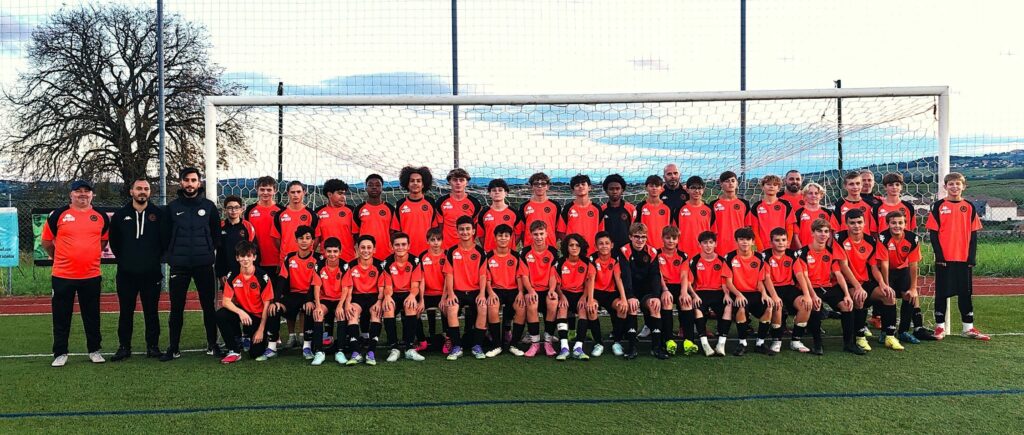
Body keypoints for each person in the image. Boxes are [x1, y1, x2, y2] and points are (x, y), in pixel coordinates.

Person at [43, 180, 110, 367]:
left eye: (86, 191)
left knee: (92, 315)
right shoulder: (58, 215)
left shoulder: (101, 216)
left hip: (91, 275)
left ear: (92, 195)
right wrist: (60, 258)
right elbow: (47, 242)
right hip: (63, 276)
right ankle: (60, 353)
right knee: (61, 316)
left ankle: (94, 350)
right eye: (78, 191)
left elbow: (103, 241)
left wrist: (88, 255)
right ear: (71, 194)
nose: (82, 194)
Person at [161, 167, 222, 361]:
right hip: (179, 265)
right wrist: (172, 256)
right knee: (176, 307)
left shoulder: (209, 207)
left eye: (193, 180)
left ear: (199, 183)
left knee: (208, 306)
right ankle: (173, 347)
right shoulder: (172, 207)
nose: (190, 184)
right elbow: (165, 236)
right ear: (181, 182)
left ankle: (212, 344)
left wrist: (207, 252)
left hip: (203, 264)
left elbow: (216, 235)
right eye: (186, 180)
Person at [926, 172, 988, 341]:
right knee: (941, 293)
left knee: (965, 293)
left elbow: (973, 235)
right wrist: (939, 256)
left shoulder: (969, 206)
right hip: (944, 259)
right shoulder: (938, 206)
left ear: (963, 186)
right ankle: (940, 327)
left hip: (963, 258)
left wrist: (971, 257)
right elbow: (933, 234)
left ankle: (968, 328)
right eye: (951, 184)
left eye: (957, 184)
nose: (954, 187)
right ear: (945, 187)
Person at [109, 177, 165, 361]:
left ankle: (153, 346)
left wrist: (152, 260)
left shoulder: (158, 214)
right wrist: (127, 260)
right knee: (126, 312)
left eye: (146, 189)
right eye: (139, 188)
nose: (142, 192)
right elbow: (114, 242)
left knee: (151, 312)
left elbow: (164, 241)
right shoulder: (120, 215)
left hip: (151, 273)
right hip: (126, 274)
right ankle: (124, 347)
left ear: (150, 192)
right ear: (131, 191)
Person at [836, 209, 898, 351]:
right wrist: (857, 286)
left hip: (866, 282)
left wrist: (883, 284)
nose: (856, 226)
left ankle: (889, 335)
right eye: (852, 223)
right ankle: (860, 337)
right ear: (846, 224)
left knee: (888, 295)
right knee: (859, 297)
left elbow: (874, 267)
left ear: (864, 223)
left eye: (859, 222)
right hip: (848, 283)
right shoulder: (840, 238)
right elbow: (843, 266)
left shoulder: (870, 241)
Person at [798, 218, 857, 355]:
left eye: (826, 231)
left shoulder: (831, 252)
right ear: (812, 233)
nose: (823, 234)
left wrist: (847, 294)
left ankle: (849, 344)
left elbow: (839, 274)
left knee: (847, 306)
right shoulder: (803, 253)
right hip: (811, 287)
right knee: (815, 305)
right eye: (819, 231)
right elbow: (804, 278)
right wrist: (813, 295)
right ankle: (817, 344)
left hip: (828, 286)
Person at [271, 181, 318, 347]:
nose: (296, 195)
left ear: (304, 193)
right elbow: (276, 239)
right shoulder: (280, 215)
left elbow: (316, 237)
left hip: (306, 263)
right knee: (288, 299)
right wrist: (285, 255)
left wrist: (307, 254)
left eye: (299, 192)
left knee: (305, 298)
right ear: (287, 194)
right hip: (287, 264)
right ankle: (291, 336)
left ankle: (303, 335)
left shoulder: (311, 214)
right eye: (292, 192)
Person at [216, 241, 279, 364]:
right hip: (244, 314)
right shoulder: (232, 275)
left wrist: (260, 330)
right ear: (237, 258)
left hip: (258, 317)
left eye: (248, 256)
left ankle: (266, 338)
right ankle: (234, 351)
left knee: (255, 354)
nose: (245, 259)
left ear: (254, 257)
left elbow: (266, 305)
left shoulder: (262, 276)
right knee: (220, 314)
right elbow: (226, 301)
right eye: (242, 256)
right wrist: (241, 312)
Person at [876, 211, 934, 344]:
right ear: (888, 224)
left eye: (900, 223)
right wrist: (886, 285)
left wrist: (913, 288)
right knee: (887, 296)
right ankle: (885, 331)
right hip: (887, 271)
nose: (897, 225)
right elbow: (884, 264)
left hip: (902, 270)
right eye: (893, 223)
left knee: (909, 296)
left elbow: (913, 264)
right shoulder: (883, 238)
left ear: (905, 224)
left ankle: (903, 331)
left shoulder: (912, 238)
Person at [724, 227, 780, 356]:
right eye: (741, 239)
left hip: (755, 292)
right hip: (737, 292)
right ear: (736, 241)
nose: (745, 242)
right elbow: (728, 282)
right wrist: (738, 295)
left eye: (748, 239)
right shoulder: (730, 257)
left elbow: (760, 281)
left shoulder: (759, 257)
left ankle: (760, 343)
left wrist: (764, 294)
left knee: (769, 307)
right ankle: (742, 343)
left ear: (753, 241)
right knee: (741, 307)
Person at [271, 225, 323, 360]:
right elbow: (281, 280)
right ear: (296, 241)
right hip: (293, 295)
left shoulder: (318, 259)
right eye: (301, 238)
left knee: (308, 308)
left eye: (307, 238)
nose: (304, 241)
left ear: (313, 241)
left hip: (309, 294)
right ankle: (272, 346)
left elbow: (316, 282)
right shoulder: (289, 258)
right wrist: (276, 300)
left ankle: (306, 346)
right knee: (274, 309)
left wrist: (309, 299)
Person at [442, 216, 488, 360]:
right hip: (457, 291)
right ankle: (457, 346)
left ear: (473, 231)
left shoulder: (480, 252)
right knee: (451, 308)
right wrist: (450, 294)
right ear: (457, 231)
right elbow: (449, 274)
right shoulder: (452, 251)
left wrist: (482, 294)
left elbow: (483, 275)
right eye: (461, 229)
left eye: (468, 229)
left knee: (483, 307)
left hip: (475, 291)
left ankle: (477, 345)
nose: (465, 232)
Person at [761, 227, 813, 354]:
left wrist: (807, 295)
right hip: (772, 288)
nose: (781, 243)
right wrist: (774, 296)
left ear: (788, 242)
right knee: (777, 306)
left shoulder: (792, 254)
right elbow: (766, 278)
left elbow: (800, 275)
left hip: (788, 287)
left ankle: (796, 340)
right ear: (771, 242)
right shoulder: (765, 255)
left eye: (783, 240)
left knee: (805, 305)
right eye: (777, 240)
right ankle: (776, 340)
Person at [620, 223, 668, 359]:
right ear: (630, 237)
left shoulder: (652, 252)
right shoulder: (624, 251)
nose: (640, 240)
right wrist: (630, 296)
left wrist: (656, 296)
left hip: (647, 292)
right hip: (631, 290)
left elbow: (655, 275)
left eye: (643, 237)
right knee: (632, 306)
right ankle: (632, 348)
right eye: (636, 237)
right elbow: (626, 275)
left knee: (654, 305)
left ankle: (656, 348)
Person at [341, 235, 388, 365]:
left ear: (374, 249)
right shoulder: (350, 265)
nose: (366, 250)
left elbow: (382, 288)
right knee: (352, 313)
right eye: (362, 247)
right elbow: (349, 288)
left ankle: (371, 352)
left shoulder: (380, 265)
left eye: (369, 247)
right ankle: (356, 352)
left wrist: (379, 301)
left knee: (376, 313)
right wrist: (347, 303)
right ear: (357, 249)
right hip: (357, 297)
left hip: (374, 297)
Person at [518, 221, 561, 357]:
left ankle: (548, 342)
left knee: (553, 302)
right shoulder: (525, 252)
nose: (539, 237)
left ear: (546, 234)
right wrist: (530, 290)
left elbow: (553, 274)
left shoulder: (553, 251)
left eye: (541, 234)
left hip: (547, 289)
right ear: (531, 235)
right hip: (532, 289)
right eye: (536, 234)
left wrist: (552, 290)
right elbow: (524, 275)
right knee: (531, 302)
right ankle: (535, 343)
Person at [481, 224, 525, 357]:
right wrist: (490, 293)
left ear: (511, 238)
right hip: (495, 290)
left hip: (513, 290)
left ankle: (514, 344)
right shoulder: (488, 256)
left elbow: (520, 276)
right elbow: (486, 277)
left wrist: (521, 293)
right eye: (500, 235)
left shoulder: (516, 256)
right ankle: (497, 345)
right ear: (495, 238)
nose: (503, 238)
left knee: (521, 307)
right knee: (492, 306)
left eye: (506, 236)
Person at [688, 231, 732, 357]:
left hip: (718, 292)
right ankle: (705, 344)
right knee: (697, 308)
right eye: (705, 243)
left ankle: (721, 344)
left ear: (715, 244)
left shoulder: (722, 260)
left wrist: (727, 294)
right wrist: (694, 295)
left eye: (711, 242)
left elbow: (725, 281)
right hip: (700, 293)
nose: (708, 245)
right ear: (699, 245)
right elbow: (689, 282)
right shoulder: (695, 260)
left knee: (728, 306)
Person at [381, 232, 424, 362]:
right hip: (393, 293)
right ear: (392, 246)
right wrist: (387, 297)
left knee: (410, 305)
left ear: (408, 246)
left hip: (409, 292)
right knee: (388, 307)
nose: (400, 247)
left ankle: (409, 348)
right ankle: (394, 348)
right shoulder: (387, 262)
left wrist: (412, 295)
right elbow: (388, 286)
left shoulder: (415, 261)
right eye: (397, 245)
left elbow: (415, 285)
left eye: (403, 244)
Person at [656, 226, 698, 355]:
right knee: (667, 301)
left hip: (679, 285)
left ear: (678, 239)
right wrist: (664, 290)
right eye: (668, 238)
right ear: (662, 238)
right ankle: (669, 340)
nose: (671, 241)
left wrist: (684, 292)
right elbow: (658, 275)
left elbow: (684, 275)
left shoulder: (682, 255)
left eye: (674, 238)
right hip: (663, 286)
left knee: (687, 302)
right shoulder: (656, 253)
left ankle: (689, 341)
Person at [588, 232, 631, 358]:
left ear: (612, 245)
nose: (604, 246)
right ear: (596, 246)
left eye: (607, 243)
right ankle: (598, 343)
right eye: (601, 244)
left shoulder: (615, 258)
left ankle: (617, 342)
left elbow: (618, 278)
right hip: (596, 293)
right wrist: (590, 299)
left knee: (622, 307)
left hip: (611, 293)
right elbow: (591, 279)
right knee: (591, 308)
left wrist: (623, 298)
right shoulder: (592, 258)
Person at [554, 234, 596, 360]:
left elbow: (589, 281)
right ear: (566, 247)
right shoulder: (560, 262)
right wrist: (561, 296)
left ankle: (578, 348)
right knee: (562, 309)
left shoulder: (587, 262)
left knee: (583, 310)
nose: (574, 248)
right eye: (571, 245)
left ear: (581, 247)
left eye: (577, 245)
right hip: (564, 294)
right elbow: (556, 283)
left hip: (580, 294)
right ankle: (564, 348)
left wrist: (584, 297)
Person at [310, 237, 349, 366]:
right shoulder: (319, 265)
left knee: (341, 314)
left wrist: (340, 306)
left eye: (335, 251)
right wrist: (317, 306)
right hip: (325, 299)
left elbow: (345, 288)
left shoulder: (344, 266)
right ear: (324, 252)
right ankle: (319, 352)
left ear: (340, 252)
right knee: (318, 314)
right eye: (329, 251)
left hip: (339, 299)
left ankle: (340, 352)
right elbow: (316, 287)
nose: (332, 254)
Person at [393, 166, 439, 256]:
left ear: (423, 184)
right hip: (406, 252)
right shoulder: (400, 204)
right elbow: (396, 231)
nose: (415, 183)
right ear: (407, 184)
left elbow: (435, 229)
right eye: (412, 181)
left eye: (418, 181)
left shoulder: (431, 202)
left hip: (428, 251)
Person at [245, 176, 284, 276]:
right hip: (255, 260)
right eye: (262, 189)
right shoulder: (250, 210)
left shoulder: (281, 210)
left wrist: (282, 260)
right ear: (257, 190)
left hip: (276, 260)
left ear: (275, 190)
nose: (265, 193)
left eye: (269, 190)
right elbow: (246, 234)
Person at [709, 171, 755, 256]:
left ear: (737, 183)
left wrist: (751, 248)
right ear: (721, 184)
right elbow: (711, 230)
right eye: (727, 181)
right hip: (720, 246)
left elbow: (748, 229)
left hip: (740, 246)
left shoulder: (744, 203)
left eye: (733, 181)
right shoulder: (713, 204)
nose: (730, 183)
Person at [416, 228, 447, 352]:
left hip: (443, 294)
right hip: (427, 294)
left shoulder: (447, 255)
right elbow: (421, 279)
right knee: (414, 311)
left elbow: (448, 278)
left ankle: (447, 338)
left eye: (438, 239)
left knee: (448, 309)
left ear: (442, 241)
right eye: (432, 240)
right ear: (427, 241)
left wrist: (444, 298)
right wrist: (421, 299)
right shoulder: (422, 256)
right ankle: (422, 341)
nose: (436, 242)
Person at [558, 174, 603, 254]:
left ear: (589, 187)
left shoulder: (597, 209)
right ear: (573, 190)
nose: (580, 186)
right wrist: (569, 246)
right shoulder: (568, 208)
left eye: (583, 184)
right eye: (577, 185)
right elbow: (561, 231)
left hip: (592, 252)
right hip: (573, 253)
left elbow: (601, 232)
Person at [437, 168, 482, 250]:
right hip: (446, 247)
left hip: (466, 248)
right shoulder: (441, 202)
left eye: (461, 180)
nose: (458, 183)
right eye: (455, 180)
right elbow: (440, 226)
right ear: (449, 182)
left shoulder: (475, 203)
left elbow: (475, 227)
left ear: (466, 182)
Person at [354, 174, 395, 261]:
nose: (374, 187)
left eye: (377, 185)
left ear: (382, 188)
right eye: (370, 185)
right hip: (366, 255)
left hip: (386, 254)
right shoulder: (359, 209)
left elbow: (394, 232)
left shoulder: (390, 208)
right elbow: (355, 233)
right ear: (366, 188)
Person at [215, 195, 257, 282]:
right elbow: (219, 252)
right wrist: (221, 273)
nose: (233, 210)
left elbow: (253, 250)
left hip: (244, 270)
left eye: (236, 207)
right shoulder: (220, 227)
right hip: (226, 271)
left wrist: (251, 270)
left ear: (241, 209)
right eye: (230, 208)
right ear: (225, 210)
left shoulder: (248, 226)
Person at [314, 179, 357, 263]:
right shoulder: (318, 212)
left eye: (344, 194)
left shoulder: (352, 211)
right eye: (340, 193)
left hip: (348, 259)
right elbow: (316, 238)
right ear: (329, 194)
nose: (343, 197)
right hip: (326, 260)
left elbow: (358, 236)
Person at [751, 174, 796, 251]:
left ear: (778, 188)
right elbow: (754, 230)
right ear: (763, 187)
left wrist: (786, 245)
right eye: (768, 184)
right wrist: (760, 249)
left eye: (775, 185)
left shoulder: (786, 205)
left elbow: (790, 228)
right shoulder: (756, 206)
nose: (771, 187)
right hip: (763, 249)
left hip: (781, 247)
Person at [477, 178, 523, 251]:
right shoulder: (483, 213)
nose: (497, 192)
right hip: (490, 254)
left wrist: (510, 247)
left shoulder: (514, 213)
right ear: (489, 194)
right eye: (494, 190)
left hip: (508, 254)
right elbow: (481, 235)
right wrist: (488, 248)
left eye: (500, 190)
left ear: (506, 193)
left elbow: (518, 234)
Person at [518, 172, 560, 248]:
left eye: (543, 184)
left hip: (550, 247)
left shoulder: (555, 206)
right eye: (536, 184)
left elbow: (558, 229)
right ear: (531, 186)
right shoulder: (524, 206)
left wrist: (551, 240)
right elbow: (522, 230)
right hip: (530, 248)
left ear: (547, 186)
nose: (540, 186)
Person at [675, 176, 713, 259]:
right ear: (687, 190)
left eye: (699, 188)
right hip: (683, 253)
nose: (696, 191)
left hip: (704, 253)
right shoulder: (679, 209)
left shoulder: (709, 209)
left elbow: (713, 234)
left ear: (703, 190)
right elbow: (674, 233)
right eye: (693, 188)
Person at [793, 182, 839, 249]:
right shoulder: (798, 213)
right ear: (805, 196)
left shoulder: (828, 212)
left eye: (816, 193)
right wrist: (802, 251)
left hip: (823, 251)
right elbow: (795, 236)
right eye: (810, 193)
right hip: (805, 250)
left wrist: (827, 249)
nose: (813, 195)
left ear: (821, 195)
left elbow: (831, 234)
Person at [599, 173, 636, 250]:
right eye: (611, 189)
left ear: (622, 190)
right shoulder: (601, 210)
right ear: (606, 191)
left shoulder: (631, 209)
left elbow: (635, 231)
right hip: (607, 250)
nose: (614, 191)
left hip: (627, 250)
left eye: (617, 188)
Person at [636, 175, 671, 250]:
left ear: (661, 188)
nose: (654, 188)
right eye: (651, 186)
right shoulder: (640, 207)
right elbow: (636, 228)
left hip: (664, 248)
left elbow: (672, 228)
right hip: (645, 248)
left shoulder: (668, 207)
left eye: (657, 186)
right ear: (646, 188)